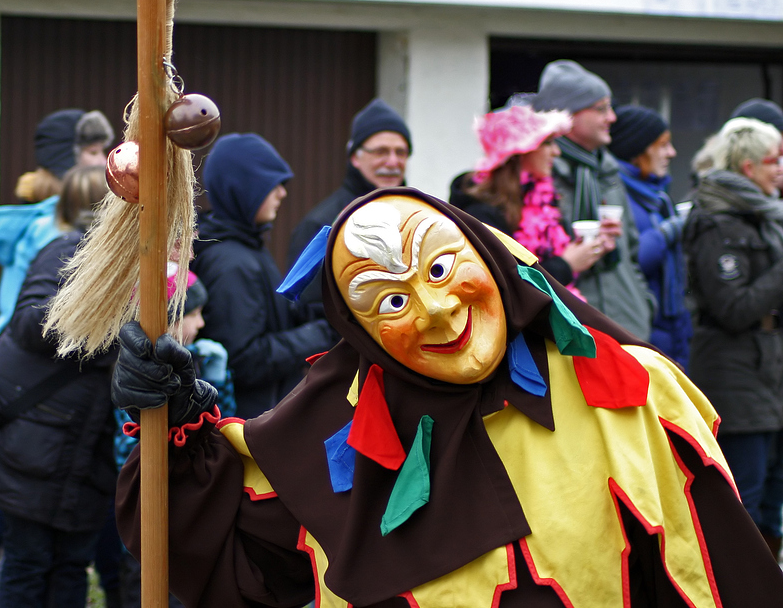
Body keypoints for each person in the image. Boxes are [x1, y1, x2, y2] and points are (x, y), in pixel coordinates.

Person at [111, 186, 783, 606]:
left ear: (489, 254)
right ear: (361, 331)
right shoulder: (330, 445)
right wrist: (171, 415)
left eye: (439, 267)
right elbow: (217, 552)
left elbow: (719, 575)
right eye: (393, 300)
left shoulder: (626, 394)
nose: (435, 310)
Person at [0, 108, 116, 608]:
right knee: (25, 566)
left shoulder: (130, 265)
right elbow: (28, 322)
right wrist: (105, 331)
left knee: (68, 569)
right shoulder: (65, 251)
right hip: (38, 438)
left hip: (83, 445)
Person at [102, 266, 236, 608]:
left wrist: (216, 386)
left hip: (192, 525)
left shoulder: (200, 359)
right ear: (165, 322)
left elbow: (225, 429)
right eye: (192, 313)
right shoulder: (135, 377)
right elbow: (128, 450)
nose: (201, 323)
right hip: (149, 530)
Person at [683, 117, 783, 558]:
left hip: (768, 370)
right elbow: (734, 308)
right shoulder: (715, 220)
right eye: (773, 161)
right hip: (733, 372)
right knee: (745, 497)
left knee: (772, 497)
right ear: (747, 167)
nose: (781, 170)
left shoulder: (765, 214)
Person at [192, 133, 334, 419]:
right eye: (273, 184)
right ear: (244, 188)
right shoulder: (231, 263)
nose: (282, 192)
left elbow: (272, 317)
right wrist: (323, 334)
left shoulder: (246, 247)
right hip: (248, 426)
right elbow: (245, 360)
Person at [532, 59, 654, 340]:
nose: (612, 118)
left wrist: (643, 304)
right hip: (571, 332)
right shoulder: (540, 173)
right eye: (601, 109)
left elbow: (633, 255)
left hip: (627, 326)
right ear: (567, 114)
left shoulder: (608, 171)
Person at [0, 108, 115, 337]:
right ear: (65, 161)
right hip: (28, 348)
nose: (103, 159)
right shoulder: (55, 226)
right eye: (93, 151)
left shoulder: (41, 217)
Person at [449, 103, 605, 288]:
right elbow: (510, 285)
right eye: (547, 143)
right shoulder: (481, 213)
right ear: (517, 154)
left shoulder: (545, 199)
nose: (557, 152)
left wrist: (597, 244)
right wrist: (566, 265)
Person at [286, 98, 412, 321]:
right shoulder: (322, 224)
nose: (393, 162)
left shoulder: (416, 215)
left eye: (400, 152)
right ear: (355, 157)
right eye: (381, 151)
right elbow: (308, 309)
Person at [609, 105, 692, 368]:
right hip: (644, 333)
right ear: (638, 150)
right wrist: (673, 228)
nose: (672, 153)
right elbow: (636, 257)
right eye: (663, 145)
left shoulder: (656, 197)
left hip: (672, 332)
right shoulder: (617, 196)